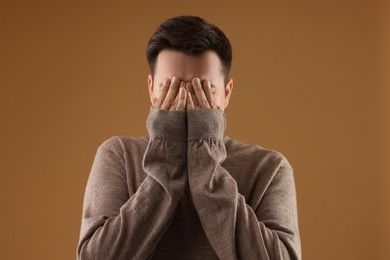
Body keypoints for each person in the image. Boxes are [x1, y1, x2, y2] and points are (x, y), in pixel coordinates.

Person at [76, 15, 301, 260]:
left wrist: (205, 160)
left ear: (226, 93)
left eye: (203, 88)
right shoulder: (118, 155)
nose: (186, 99)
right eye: (170, 87)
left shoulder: (268, 168)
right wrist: (166, 155)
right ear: (151, 89)